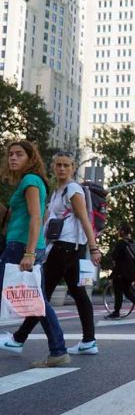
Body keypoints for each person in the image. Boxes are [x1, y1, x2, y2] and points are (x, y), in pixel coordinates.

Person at [8, 151, 102, 355]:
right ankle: (89, 341)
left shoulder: (72, 189)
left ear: (73, 167)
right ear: (53, 167)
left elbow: (85, 220)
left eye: (66, 165)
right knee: (77, 294)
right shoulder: (57, 191)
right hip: (65, 248)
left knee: (41, 293)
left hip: (66, 247)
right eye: (58, 165)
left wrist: (94, 248)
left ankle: (18, 338)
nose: (61, 168)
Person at [0, 141, 70, 367]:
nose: (12, 158)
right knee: (37, 301)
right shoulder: (26, 182)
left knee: (37, 301)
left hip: (22, 247)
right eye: (10, 154)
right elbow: (14, 217)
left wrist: (29, 253)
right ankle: (58, 351)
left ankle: (58, 350)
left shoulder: (31, 180)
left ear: (31, 159)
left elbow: (36, 217)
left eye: (19, 154)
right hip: (21, 244)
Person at [105, 222, 135, 319]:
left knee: (118, 292)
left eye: (119, 229)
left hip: (120, 272)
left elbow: (114, 256)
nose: (118, 231)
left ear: (122, 231)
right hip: (131, 272)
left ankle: (116, 312)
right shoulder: (133, 242)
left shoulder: (121, 243)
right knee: (127, 291)